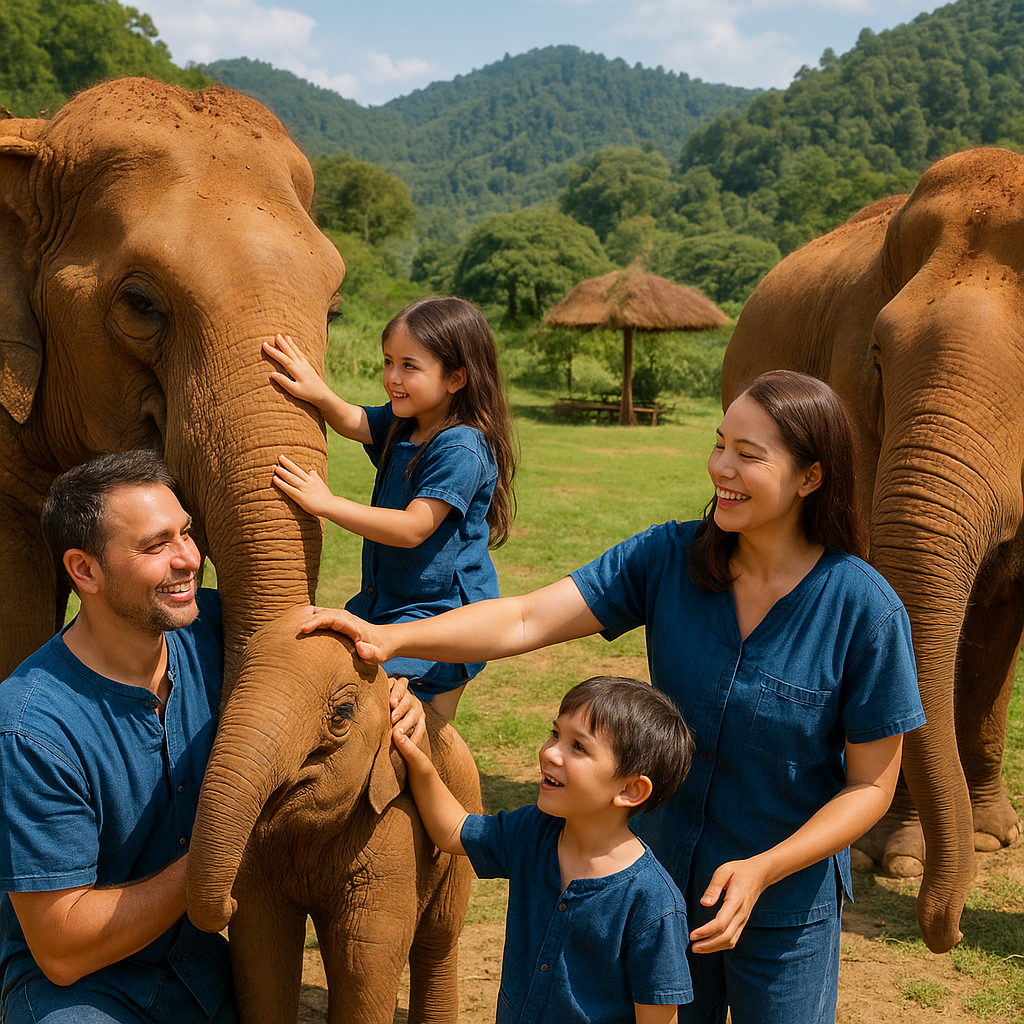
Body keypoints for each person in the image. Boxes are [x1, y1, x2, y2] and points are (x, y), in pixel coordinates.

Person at [300, 370, 926, 1024]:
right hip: (661, 894)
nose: (721, 468)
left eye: (748, 454)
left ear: (810, 477)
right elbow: (526, 619)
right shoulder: (670, 557)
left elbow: (870, 787)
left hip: (785, 907)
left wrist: (765, 868)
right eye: (719, 444)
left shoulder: (863, 610)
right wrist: (391, 636)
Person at [0, 451, 425, 1024]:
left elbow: (330, 682)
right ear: (85, 571)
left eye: (186, 533)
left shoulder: (217, 633)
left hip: (203, 972)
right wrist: (216, 853)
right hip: (87, 993)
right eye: (155, 546)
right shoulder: (31, 728)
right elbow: (62, 949)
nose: (188, 559)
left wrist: (388, 696)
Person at [265, 296, 517, 720]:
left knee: (410, 721)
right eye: (388, 362)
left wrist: (328, 504)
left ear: (456, 378)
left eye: (409, 366)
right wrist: (318, 392)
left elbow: (413, 527)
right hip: (384, 606)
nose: (392, 378)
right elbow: (357, 422)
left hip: (439, 619)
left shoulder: (461, 446)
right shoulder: (408, 422)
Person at [394, 675, 695, 1024]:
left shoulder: (653, 904)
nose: (550, 752)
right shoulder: (535, 831)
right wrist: (419, 762)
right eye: (555, 734)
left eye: (578, 747)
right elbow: (453, 830)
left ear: (630, 790)